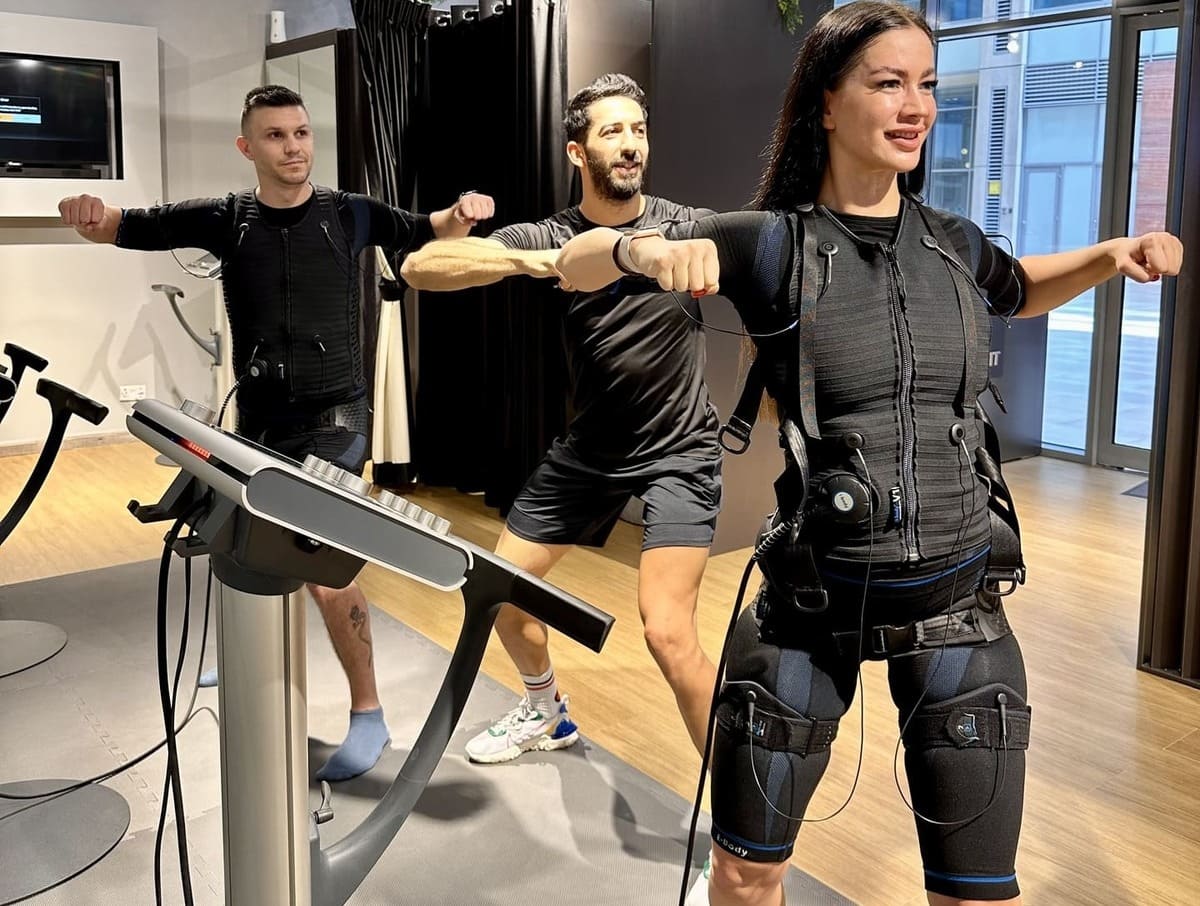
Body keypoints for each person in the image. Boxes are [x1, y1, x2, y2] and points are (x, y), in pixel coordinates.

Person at [555, 4, 1183, 905]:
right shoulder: (768, 241)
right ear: (825, 101)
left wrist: (1110, 254)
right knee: (744, 873)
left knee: (975, 895)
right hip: (810, 609)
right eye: (888, 83)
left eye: (925, 84)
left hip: (960, 606)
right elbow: (575, 261)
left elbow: (1018, 286)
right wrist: (634, 251)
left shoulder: (953, 243)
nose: (915, 105)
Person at [58, 84, 495, 782]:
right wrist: (86, 213)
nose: (293, 147)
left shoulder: (348, 213)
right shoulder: (225, 218)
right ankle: (249, 655)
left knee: (321, 562)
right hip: (261, 420)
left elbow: (428, 226)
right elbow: (125, 224)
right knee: (238, 542)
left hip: (338, 419)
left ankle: (369, 711)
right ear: (247, 147)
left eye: (300, 133)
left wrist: (464, 212)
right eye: (275, 136)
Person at [400, 73, 722, 763]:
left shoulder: (682, 223)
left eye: (639, 131)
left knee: (668, 633)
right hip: (592, 449)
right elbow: (421, 267)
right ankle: (546, 710)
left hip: (680, 450)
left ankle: (738, 821)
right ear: (578, 152)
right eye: (613, 131)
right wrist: (548, 261)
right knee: (498, 590)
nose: (631, 145)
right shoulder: (552, 232)